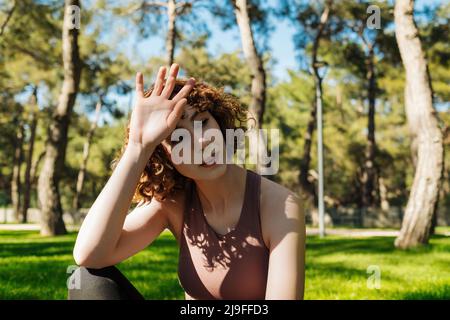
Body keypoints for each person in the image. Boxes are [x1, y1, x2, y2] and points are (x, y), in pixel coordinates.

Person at [68, 63, 305, 300]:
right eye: (178, 138)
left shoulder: (279, 205)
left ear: (220, 125)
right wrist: (138, 147)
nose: (202, 141)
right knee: (87, 282)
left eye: (203, 123)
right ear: (164, 156)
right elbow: (90, 255)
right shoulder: (173, 202)